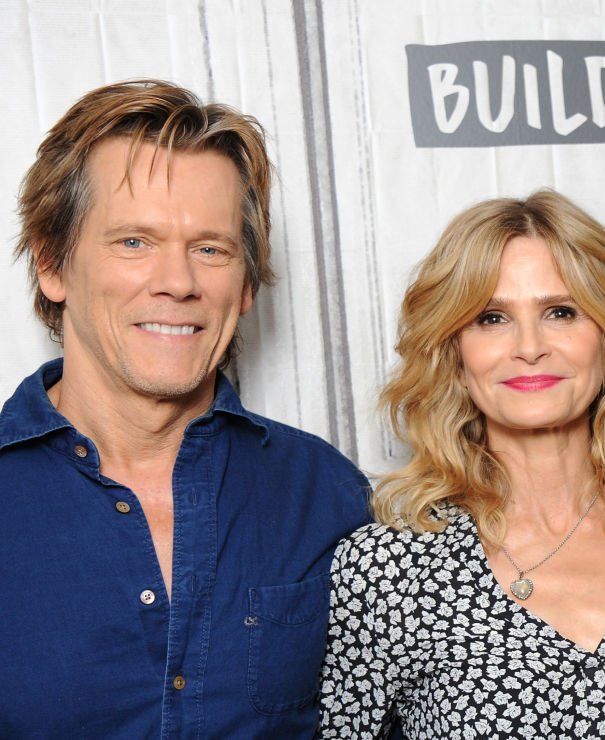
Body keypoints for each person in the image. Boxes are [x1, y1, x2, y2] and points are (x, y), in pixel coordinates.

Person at [0, 80, 371, 737]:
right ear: (53, 265)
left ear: (247, 283)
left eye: (211, 248)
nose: (178, 282)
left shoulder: (325, 494)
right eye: (134, 242)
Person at [318, 190, 605, 738]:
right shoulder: (386, 570)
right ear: (456, 358)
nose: (529, 346)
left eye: (561, 312)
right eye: (491, 318)